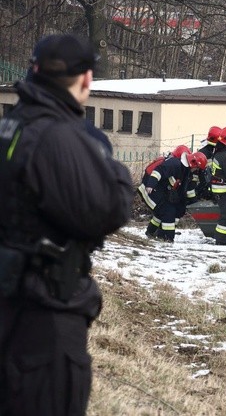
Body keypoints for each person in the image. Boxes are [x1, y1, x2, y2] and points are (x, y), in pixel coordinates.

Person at [0, 34, 134, 415]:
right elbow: (106, 210)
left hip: (13, 291)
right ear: (87, 79)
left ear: (35, 69)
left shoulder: (13, 123)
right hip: (44, 306)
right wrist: (109, 165)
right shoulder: (58, 136)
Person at [139, 150, 207, 242]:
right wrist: (151, 184)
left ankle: (153, 233)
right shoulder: (175, 164)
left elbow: (188, 189)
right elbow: (158, 171)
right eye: (197, 168)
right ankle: (167, 239)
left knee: (178, 210)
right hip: (151, 189)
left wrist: (192, 203)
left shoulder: (187, 171)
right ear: (193, 163)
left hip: (164, 191)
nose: (197, 171)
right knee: (168, 211)